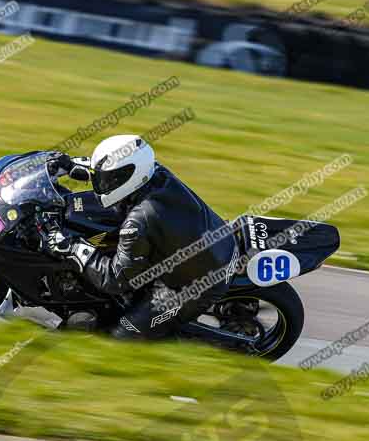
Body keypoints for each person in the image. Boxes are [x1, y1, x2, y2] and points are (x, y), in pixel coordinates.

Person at [46, 134, 237, 339]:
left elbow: (116, 279)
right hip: (211, 243)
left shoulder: (139, 220)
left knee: (122, 335)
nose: (102, 184)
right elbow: (110, 172)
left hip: (193, 285)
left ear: (130, 176)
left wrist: (74, 248)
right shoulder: (154, 173)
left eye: (108, 179)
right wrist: (70, 165)